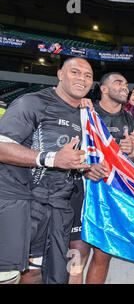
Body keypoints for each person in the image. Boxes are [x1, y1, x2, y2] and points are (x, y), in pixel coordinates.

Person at [0, 57, 93, 284]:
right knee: (9, 275)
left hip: (58, 208)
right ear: (60, 74)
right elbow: (2, 146)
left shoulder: (86, 115)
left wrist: (90, 168)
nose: (82, 78)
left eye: (88, 75)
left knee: (40, 272)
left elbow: (75, 160)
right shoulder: (31, 102)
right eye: (75, 72)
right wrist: (52, 158)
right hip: (22, 204)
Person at [69, 72, 134, 284]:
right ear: (103, 88)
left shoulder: (132, 120)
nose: (125, 88)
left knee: (103, 256)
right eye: (119, 82)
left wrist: (133, 153)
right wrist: (85, 168)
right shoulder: (85, 111)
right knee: (76, 254)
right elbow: (70, 150)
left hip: (113, 197)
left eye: (127, 84)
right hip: (83, 191)